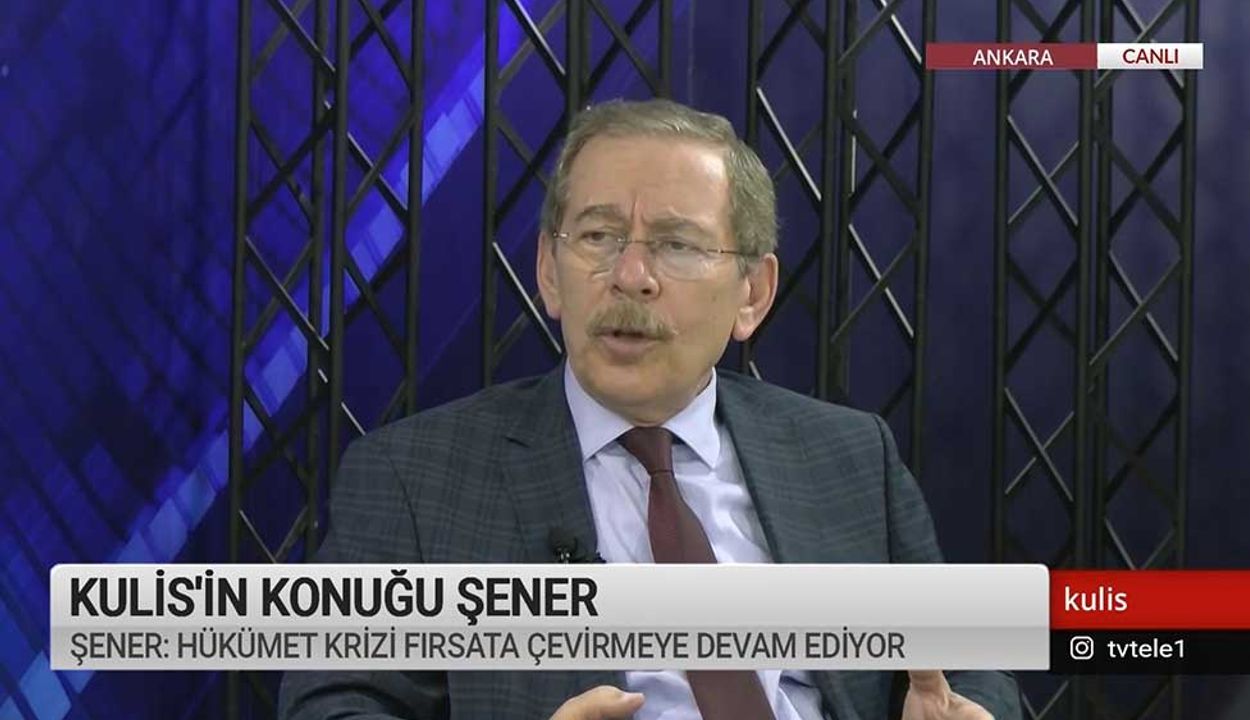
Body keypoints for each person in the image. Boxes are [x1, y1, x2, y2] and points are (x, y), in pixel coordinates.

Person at [278, 98, 1020, 720]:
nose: (630, 275)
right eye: (598, 237)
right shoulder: (414, 477)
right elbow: (333, 705)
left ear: (753, 294)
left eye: (676, 245)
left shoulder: (848, 455)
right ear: (549, 272)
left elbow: (967, 665)